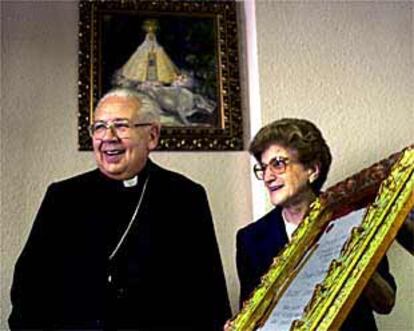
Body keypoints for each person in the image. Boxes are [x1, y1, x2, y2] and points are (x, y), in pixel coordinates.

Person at [9, 88, 231, 330]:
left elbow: (209, 295)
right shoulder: (62, 198)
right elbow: (27, 289)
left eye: (121, 126)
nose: (108, 137)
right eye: (100, 127)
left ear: (152, 136)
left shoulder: (185, 197)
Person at [236, 118, 396, 330]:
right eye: (263, 168)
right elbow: (250, 317)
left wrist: (354, 257)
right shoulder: (251, 239)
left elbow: (386, 303)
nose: (267, 177)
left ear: (312, 169)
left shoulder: (355, 219)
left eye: (278, 164)